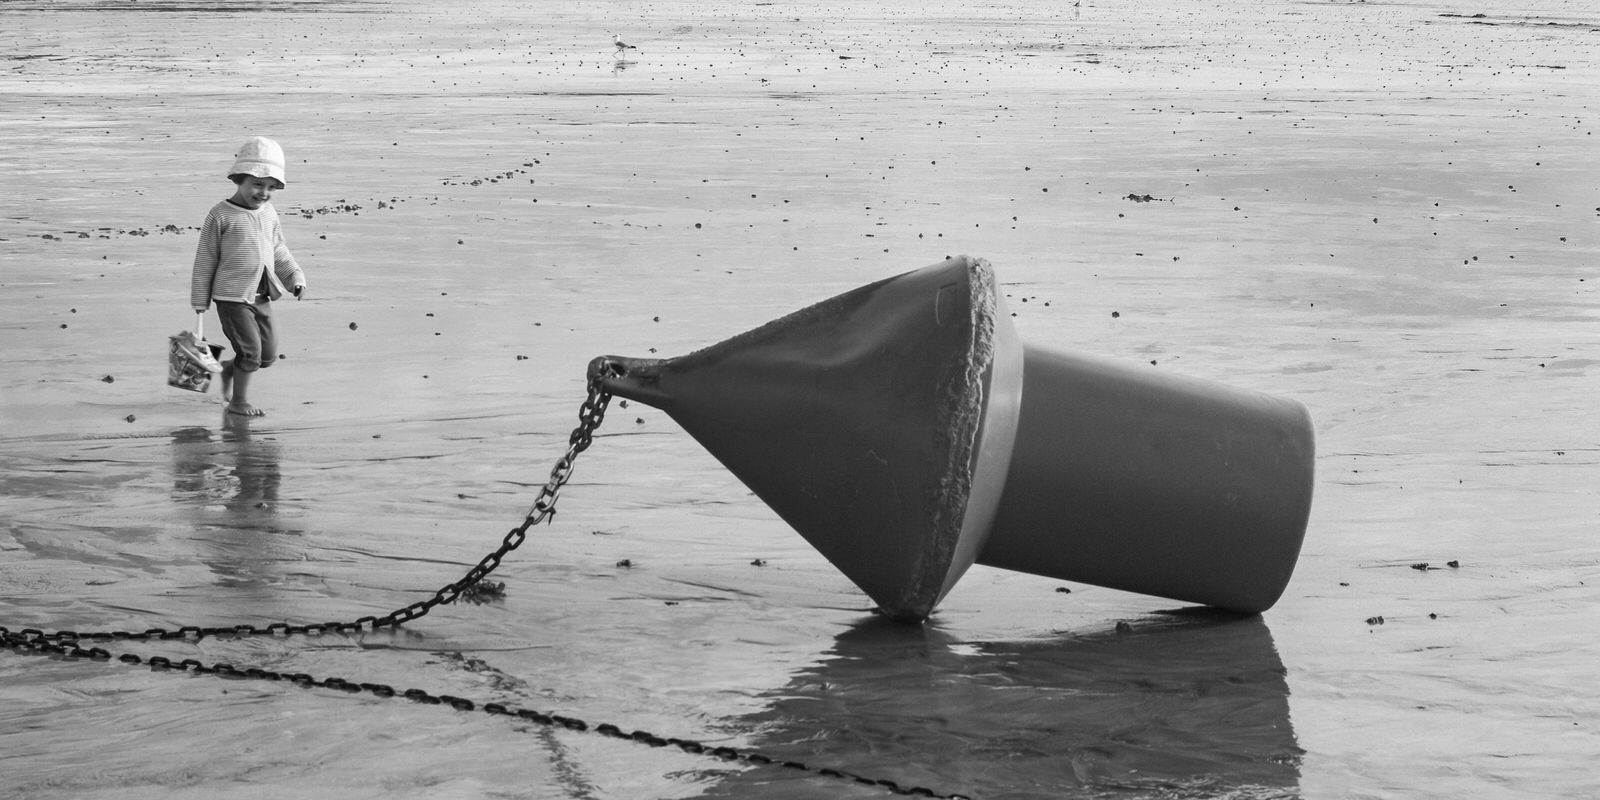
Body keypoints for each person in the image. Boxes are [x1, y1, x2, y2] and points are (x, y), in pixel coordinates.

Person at [190, 136, 308, 417]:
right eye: (257, 184)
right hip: (231, 297)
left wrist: (294, 278)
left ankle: (229, 369)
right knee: (251, 353)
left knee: (267, 356)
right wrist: (200, 299)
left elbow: (278, 250)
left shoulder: (269, 213)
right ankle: (238, 403)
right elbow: (206, 258)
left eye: (270, 187)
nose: (263, 192)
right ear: (239, 179)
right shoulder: (220, 215)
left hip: (262, 295)